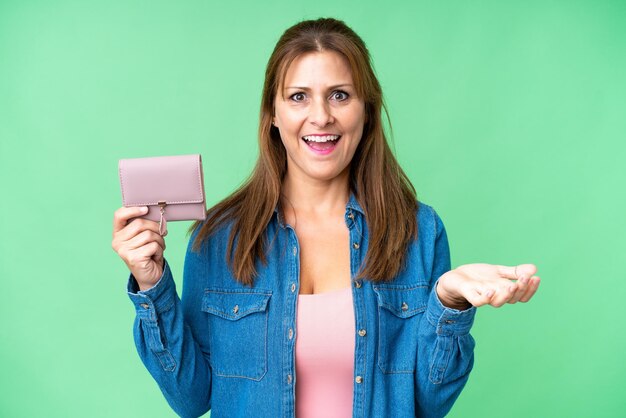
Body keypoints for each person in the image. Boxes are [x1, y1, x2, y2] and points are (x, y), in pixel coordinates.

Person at [112, 17, 540, 418]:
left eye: (340, 94)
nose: (321, 116)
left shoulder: (418, 232)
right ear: (274, 115)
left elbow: (428, 402)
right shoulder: (220, 239)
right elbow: (190, 397)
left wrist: (449, 303)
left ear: (366, 110)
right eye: (299, 96)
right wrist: (152, 284)